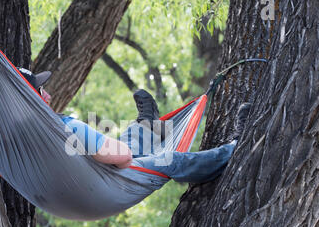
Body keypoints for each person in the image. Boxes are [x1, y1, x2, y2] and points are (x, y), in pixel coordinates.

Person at [19, 68, 251, 184]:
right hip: (106, 184)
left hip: (73, 195)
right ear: (29, 97)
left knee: (126, 143)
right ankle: (235, 149)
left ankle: (146, 124)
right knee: (169, 160)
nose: (48, 95)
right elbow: (124, 156)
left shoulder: (18, 141)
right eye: (41, 90)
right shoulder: (66, 128)